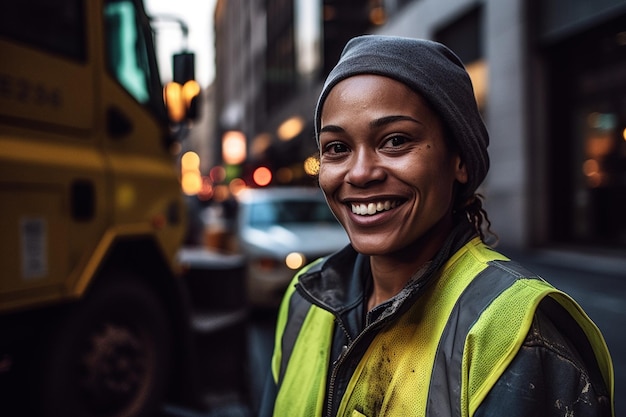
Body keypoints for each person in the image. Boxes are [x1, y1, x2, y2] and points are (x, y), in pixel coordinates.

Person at [259, 35, 614, 417]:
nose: (360, 173)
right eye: (337, 148)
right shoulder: (303, 298)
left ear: (458, 159)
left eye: (395, 141)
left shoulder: (517, 332)